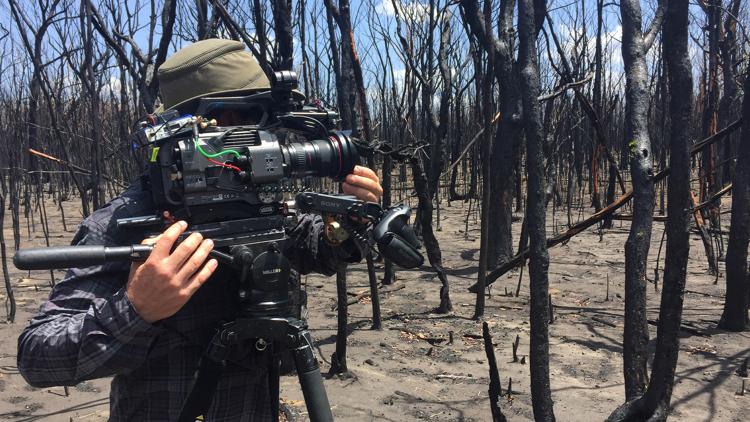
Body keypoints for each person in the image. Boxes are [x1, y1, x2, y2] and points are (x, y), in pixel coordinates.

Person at [17, 39, 383, 421]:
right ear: (197, 126)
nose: (256, 139)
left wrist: (346, 221)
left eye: (263, 123)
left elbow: (315, 246)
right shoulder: (124, 223)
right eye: (240, 119)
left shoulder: (260, 198)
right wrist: (136, 309)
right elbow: (38, 356)